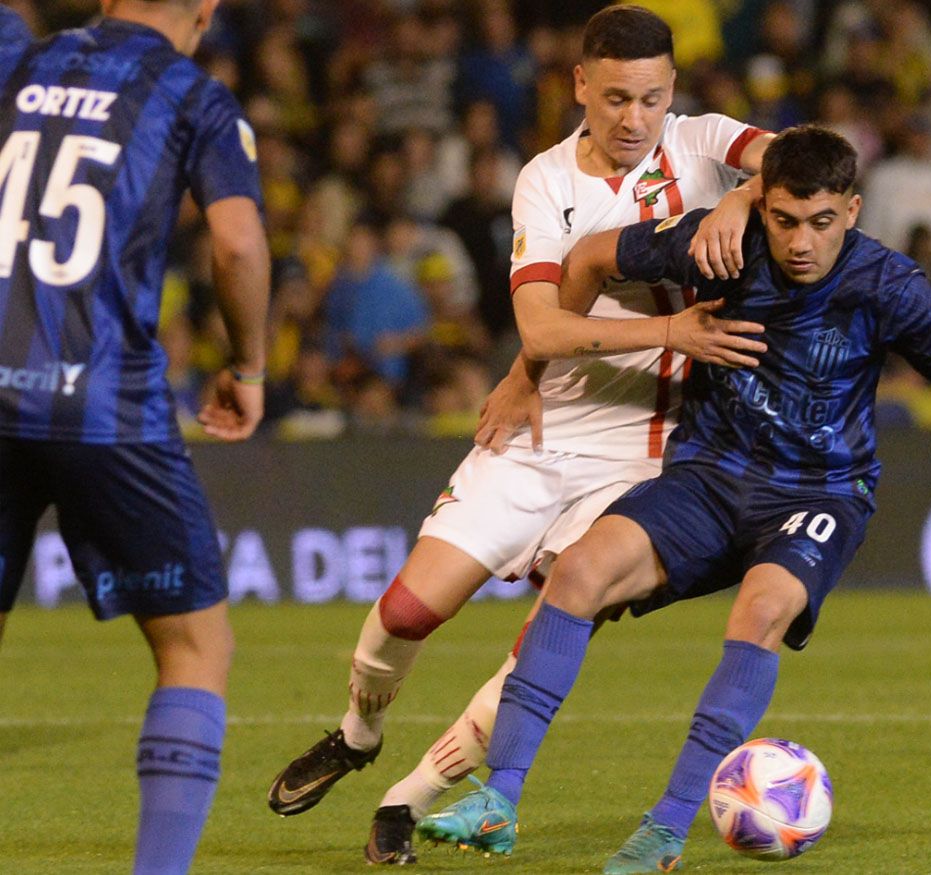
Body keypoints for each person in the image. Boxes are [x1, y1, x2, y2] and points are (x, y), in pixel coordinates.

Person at [416, 125, 931, 874]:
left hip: (817, 493)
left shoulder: (889, 285)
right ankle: (500, 799)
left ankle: (664, 831)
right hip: (710, 476)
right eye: (785, 219)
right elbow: (589, 256)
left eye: (822, 222)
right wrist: (531, 372)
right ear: (763, 207)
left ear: (852, 210)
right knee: (579, 571)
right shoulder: (716, 244)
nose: (801, 243)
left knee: (759, 607)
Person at [266, 5, 775, 865]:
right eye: (615, 98)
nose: (633, 119)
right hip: (545, 421)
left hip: (650, 451)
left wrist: (748, 199)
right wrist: (669, 333)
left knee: (549, 628)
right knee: (405, 609)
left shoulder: (702, 144)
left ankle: (409, 797)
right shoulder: (543, 179)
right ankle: (359, 734)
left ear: (672, 91)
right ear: (579, 85)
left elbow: (811, 160)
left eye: (651, 99)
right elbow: (539, 330)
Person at [0, 1, 269, 874]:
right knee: (195, 644)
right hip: (104, 404)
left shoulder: (15, 57)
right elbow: (236, 242)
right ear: (206, 10)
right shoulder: (194, 94)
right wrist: (249, 366)